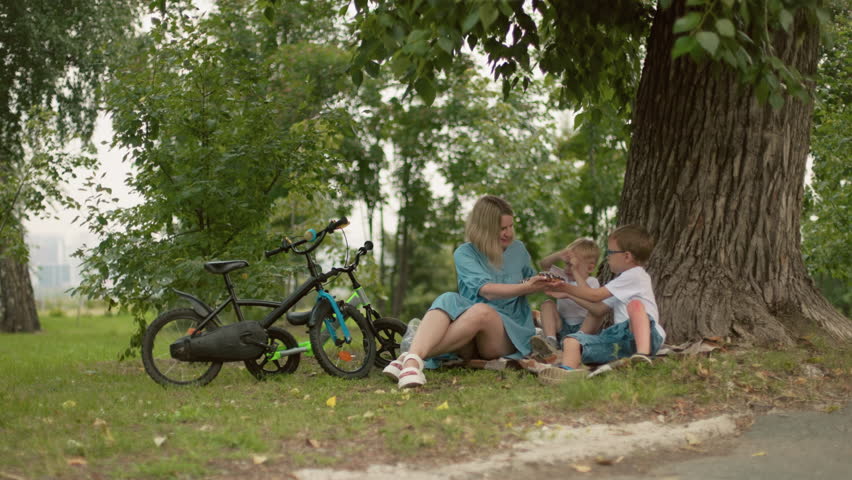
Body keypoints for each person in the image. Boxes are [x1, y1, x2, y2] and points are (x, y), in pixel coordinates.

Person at [382, 195, 559, 388]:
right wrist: (527, 285)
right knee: (448, 298)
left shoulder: (519, 250)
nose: (509, 233)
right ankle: (412, 361)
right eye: (502, 228)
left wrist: (538, 282)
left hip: (506, 334)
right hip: (466, 337)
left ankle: (410, 358)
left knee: (480, 312)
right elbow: (487, 291)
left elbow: (526, 280)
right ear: (484, 229)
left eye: (511, 226)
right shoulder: (465, 253)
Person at [539, 224, 665, 383]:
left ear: (627, 257)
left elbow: (594, 295)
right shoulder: (620, 283)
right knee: (571, 340)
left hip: (646, 335)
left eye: (610, 252)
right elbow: (598, 309)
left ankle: (643, 356)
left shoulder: (636, 275)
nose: (607, 257)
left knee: (636, 306)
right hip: (620, 340)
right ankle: (567, 373)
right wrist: (567, 292)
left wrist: (565, 287)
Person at [531, 238, 600, 358]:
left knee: (595, 314)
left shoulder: (592, 282)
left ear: (590, 268)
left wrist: (570, 289)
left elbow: (589, 296)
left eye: (573, 265)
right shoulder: (563, 277)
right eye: (567, 264)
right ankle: (551, 342)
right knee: (547, 304)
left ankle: (576, 343)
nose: (568, 268)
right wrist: (558, 255)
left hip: (583, 328)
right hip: (562, 326)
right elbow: (543, 264)